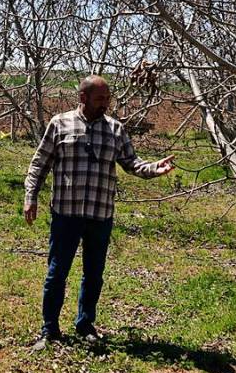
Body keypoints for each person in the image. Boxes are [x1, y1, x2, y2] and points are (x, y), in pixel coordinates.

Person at [24, 75, 174, 348]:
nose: (106, 103)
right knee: (57, 273)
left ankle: (85, 325)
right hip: (66, 214)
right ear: (83, 98)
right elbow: (39, 164)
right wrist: (30, 196)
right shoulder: (59, 124)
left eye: (108, 98)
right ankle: (49, 329)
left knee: (93, 274)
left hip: (100, 215)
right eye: (100, 98)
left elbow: (132, 163)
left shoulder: (115, 129)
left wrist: (154, 168)